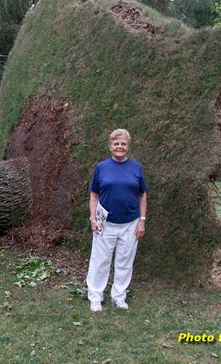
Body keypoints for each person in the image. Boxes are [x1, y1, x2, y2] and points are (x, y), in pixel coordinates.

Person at [86, 128, 147, 312]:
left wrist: (142, 220)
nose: (119, 146)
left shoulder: (136, 167)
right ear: (110, 146)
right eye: (116, 143)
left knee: (124, 262)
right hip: (105, 224)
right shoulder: (102, 167)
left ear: (128, 146)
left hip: (130, 224)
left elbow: (142, 195)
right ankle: (95, 297)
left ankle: (119, 297)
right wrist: (93, 218)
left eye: (123, 143)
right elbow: (94, 195)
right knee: (100, 262)